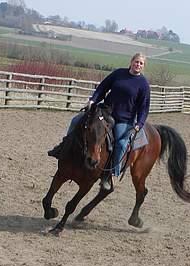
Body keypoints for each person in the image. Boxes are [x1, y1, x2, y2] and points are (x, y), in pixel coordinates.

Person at [48, 53, 151, 190]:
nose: (138, 65)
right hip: (105, 111)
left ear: (143, 66)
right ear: (131, 62)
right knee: (76, 120)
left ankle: (109, 174)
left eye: (141, 63)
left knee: (121, 143)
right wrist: (93, 100)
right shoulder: (118, 73)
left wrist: (140, 124)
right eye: (136, 62)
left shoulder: (143, 84)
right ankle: (63, 148)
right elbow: (102, 88)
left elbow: (144, 107)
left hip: (124, 120)